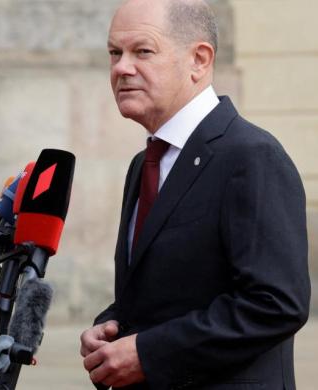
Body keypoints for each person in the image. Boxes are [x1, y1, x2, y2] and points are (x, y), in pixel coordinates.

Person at [79, 0, 311, 389]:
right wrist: (110, 327)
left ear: (199, 60)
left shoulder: (252, 156)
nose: (121, 68)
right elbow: (165, 292)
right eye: (115, 53)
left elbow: (276, 305)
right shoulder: (145, 163)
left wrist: (148, 353)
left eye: (143, 51)